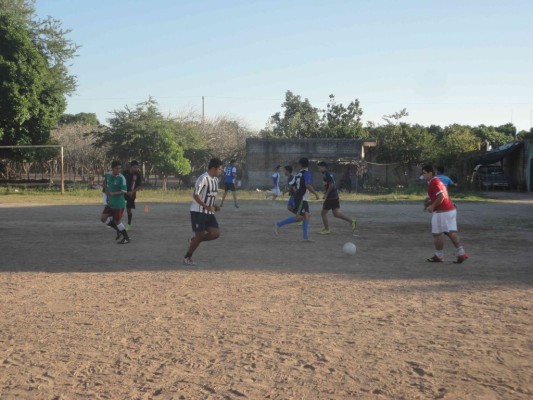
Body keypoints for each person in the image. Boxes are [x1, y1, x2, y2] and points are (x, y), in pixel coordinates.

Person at [421, 165, 468, 263]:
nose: (423, 175)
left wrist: (432, 206)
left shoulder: (434, 182)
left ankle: (439, 256)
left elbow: (441, 196)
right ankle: (462, 253)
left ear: (430, 173)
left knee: (437, 234)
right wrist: (430, 202)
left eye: (424, 172)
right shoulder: (436, 181)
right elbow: (441, 195)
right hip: (450, 209)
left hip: (442, 211)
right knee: (451, 232)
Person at [183, 158, 223, 266]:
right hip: (198, 212)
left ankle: (194, 240)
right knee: (199, 235)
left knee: (215, 233)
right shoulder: (203, 178)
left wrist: (214, 206)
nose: (220, 171)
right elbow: (196, 195)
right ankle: (187, 257)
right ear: (213, 168)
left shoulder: (215, 180)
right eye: (219, 169)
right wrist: (206, 206)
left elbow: (209, 196)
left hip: (209, 213)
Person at [274, 157, 320, 242]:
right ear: (308, 164)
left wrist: (283, 192)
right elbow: (307, 185)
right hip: (301, 198)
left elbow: (291, 185)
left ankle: (305, 238)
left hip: (301, 198)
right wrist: (316, 194)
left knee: (307, 216)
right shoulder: (307, 173)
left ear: (300, 165)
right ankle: (278, 224)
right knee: (300, 217)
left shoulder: (298, 174)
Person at [316, 161, 357, 235]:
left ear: (324, 167)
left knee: (323, 213)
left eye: (319, 168)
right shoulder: (328, 174)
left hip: (331, 197)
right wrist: (325, 192)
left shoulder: (327, 174)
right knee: (336, 214)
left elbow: (331, 185)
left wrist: (326, 194)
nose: (319, 169)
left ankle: (326, 229)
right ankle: (352, 221)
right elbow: (329, 185)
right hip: (334, 196)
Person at [100, 161, 131, 244]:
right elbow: (105, 181)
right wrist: (106, 189)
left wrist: (113, 193)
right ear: (112, 168)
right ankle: (119, 230)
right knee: (103, 218)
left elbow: (124, 191)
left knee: (117, 221)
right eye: (116, 168)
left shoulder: (122, 178)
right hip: (111, 203)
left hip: (119, 203)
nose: (118, 170)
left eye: (119, 168)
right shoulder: (108, 174)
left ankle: (126, 238)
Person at [123, 160, 142, 230]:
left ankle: (128, 224)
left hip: (131, 195)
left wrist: (132, 192)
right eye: (135, 167)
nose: (136, 169)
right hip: (123, 193)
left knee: (128, 210)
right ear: (131, 167)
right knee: (119, 207)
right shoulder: (125, 173)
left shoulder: (138, 175)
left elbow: (139, 186)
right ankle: (116, 222)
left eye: (137, 167)